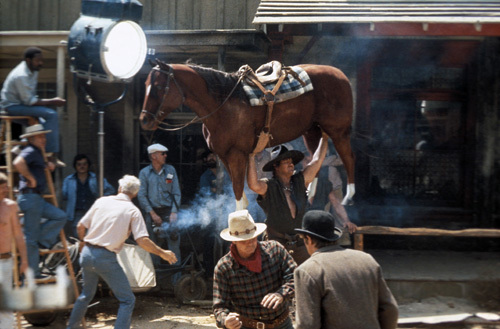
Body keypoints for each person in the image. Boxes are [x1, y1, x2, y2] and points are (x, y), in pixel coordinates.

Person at [66, 175, 177, 329]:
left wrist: (84, 244)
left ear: (119, 189)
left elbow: (80, 226)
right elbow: (142, 241)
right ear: (136, 194)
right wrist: (162, 252)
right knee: (127, 300)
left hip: (86, 254)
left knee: (85, 296)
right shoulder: (133, 211)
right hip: (105, 257)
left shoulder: (101, 201)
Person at [294, 210, 399, 329]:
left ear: (309, 239)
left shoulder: (307, 270)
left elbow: (307, 324)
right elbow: (390, 308)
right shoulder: (366, 260)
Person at [247, 131, 329, 265]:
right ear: (276, 166)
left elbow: (317, 160)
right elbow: (253, 184)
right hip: (275, 245)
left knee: (303, 277)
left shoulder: (300, 181)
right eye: (286, 162)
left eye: (291, 162)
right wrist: (251, 156)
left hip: (301, 244)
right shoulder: (269, 186)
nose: (291, 164)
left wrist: (324, 139)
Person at [213, 210, 296, 329]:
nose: (250, 244)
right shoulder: (224, 267)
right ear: (234, 241)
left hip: (281, 324)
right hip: (246, 325)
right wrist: (226, 320)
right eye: (244, 241)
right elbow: (219, 307)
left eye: (252, 239)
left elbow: (296, 277)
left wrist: (282, 294)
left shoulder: (275, 250)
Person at [13, 124, 66, 278]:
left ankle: (42, 240)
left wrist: (47, 165)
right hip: (31, 196)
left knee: (60, 216)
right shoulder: (31, 150)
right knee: (31, 238)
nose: (44, 139)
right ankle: (33, 273)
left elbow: (35, 164)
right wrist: (30, 178)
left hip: (36, 198)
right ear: (31, 138)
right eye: (40, 136)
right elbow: (18, 163)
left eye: (44, 136)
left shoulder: (36, 152)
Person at [1, 47, 65, 160]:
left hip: (22, 104)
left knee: (42, 124)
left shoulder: (33, 70)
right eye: (37, 60)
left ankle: (21, 149)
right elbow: (30, 101)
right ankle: (50, 154)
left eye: (41, 60)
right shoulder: (21, 75)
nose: (41, 63)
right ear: (28, 60)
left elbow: (31, 98)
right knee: (51, 114)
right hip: (11, 107)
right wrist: (53, 101)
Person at [137, 143, 181, 274]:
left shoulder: (170, 171)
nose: (165, 155)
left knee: (174, 242)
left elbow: (176, 192)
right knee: (152, 246)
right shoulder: (144, 173)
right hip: (152, 213)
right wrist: (152, 213)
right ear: (154, 156)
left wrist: (174, 211)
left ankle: (176, 280)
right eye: (163, 154)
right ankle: (153, 280)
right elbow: (141, 195)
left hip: (168, 211)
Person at [306, 153, 357, 245]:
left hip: (317, 223)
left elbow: (336, 203)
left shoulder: (323, 182)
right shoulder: (297, 180)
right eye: (306, 162)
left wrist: (346, 220)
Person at [62, 154, 115, 238]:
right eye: (79, 164)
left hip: (93, 211)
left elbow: (110, 190)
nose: (82, 166)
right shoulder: (69, 180)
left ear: (88, 165)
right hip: (77, 213)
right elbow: (64, 195)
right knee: (79, 236)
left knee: (93, 235)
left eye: (84, 164)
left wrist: (101, 199)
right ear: (75, 166)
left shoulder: (96, 178)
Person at [0, 172, 28, 328]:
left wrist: (24, 259)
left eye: (6, 188)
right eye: (1, 188)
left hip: (4, 261)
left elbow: (18, 235)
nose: (5, 191)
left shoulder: (10, 206)